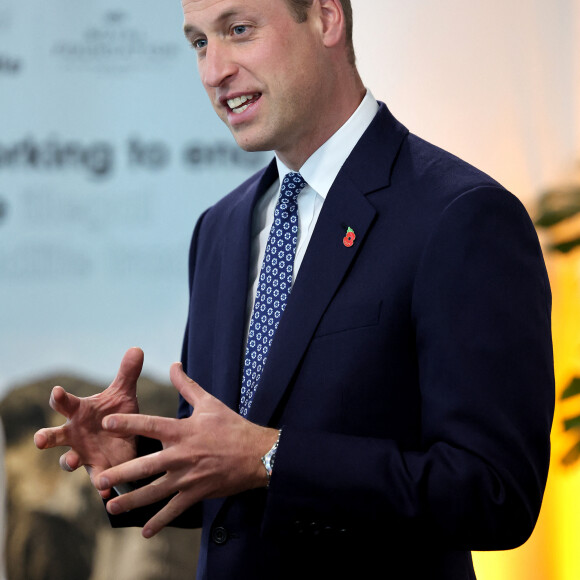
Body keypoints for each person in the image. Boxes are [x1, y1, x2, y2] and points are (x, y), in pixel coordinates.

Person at [34, 1, 555, 578]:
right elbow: (226, 474)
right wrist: (135, 461)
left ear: (327, 18)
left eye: (238, 31)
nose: (214, 71)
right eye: (199, 43)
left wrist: (272, 458)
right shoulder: (220, 228)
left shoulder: (463, 216)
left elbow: (495, 493)